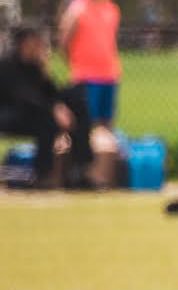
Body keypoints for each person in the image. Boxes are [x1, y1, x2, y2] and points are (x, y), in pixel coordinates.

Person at [0, 26, 90, 190]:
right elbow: (24, 97)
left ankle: (79, 170)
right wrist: (53, 109)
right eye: (36, 41)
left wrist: (45, 72)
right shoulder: (7, 65)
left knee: (77, 101)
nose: (41, 46)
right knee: (46, 122)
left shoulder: (36, 66)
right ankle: (43, 175)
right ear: (24, 43)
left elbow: (52, 93)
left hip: (33, 114)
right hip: (9, 114)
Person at [58, 0, 120, 128]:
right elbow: (64, 42)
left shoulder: (112, 9)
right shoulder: (77, 9)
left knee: (107, 123)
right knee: (86, 123)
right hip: (86, 77)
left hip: (110, 75)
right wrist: (76, 64)